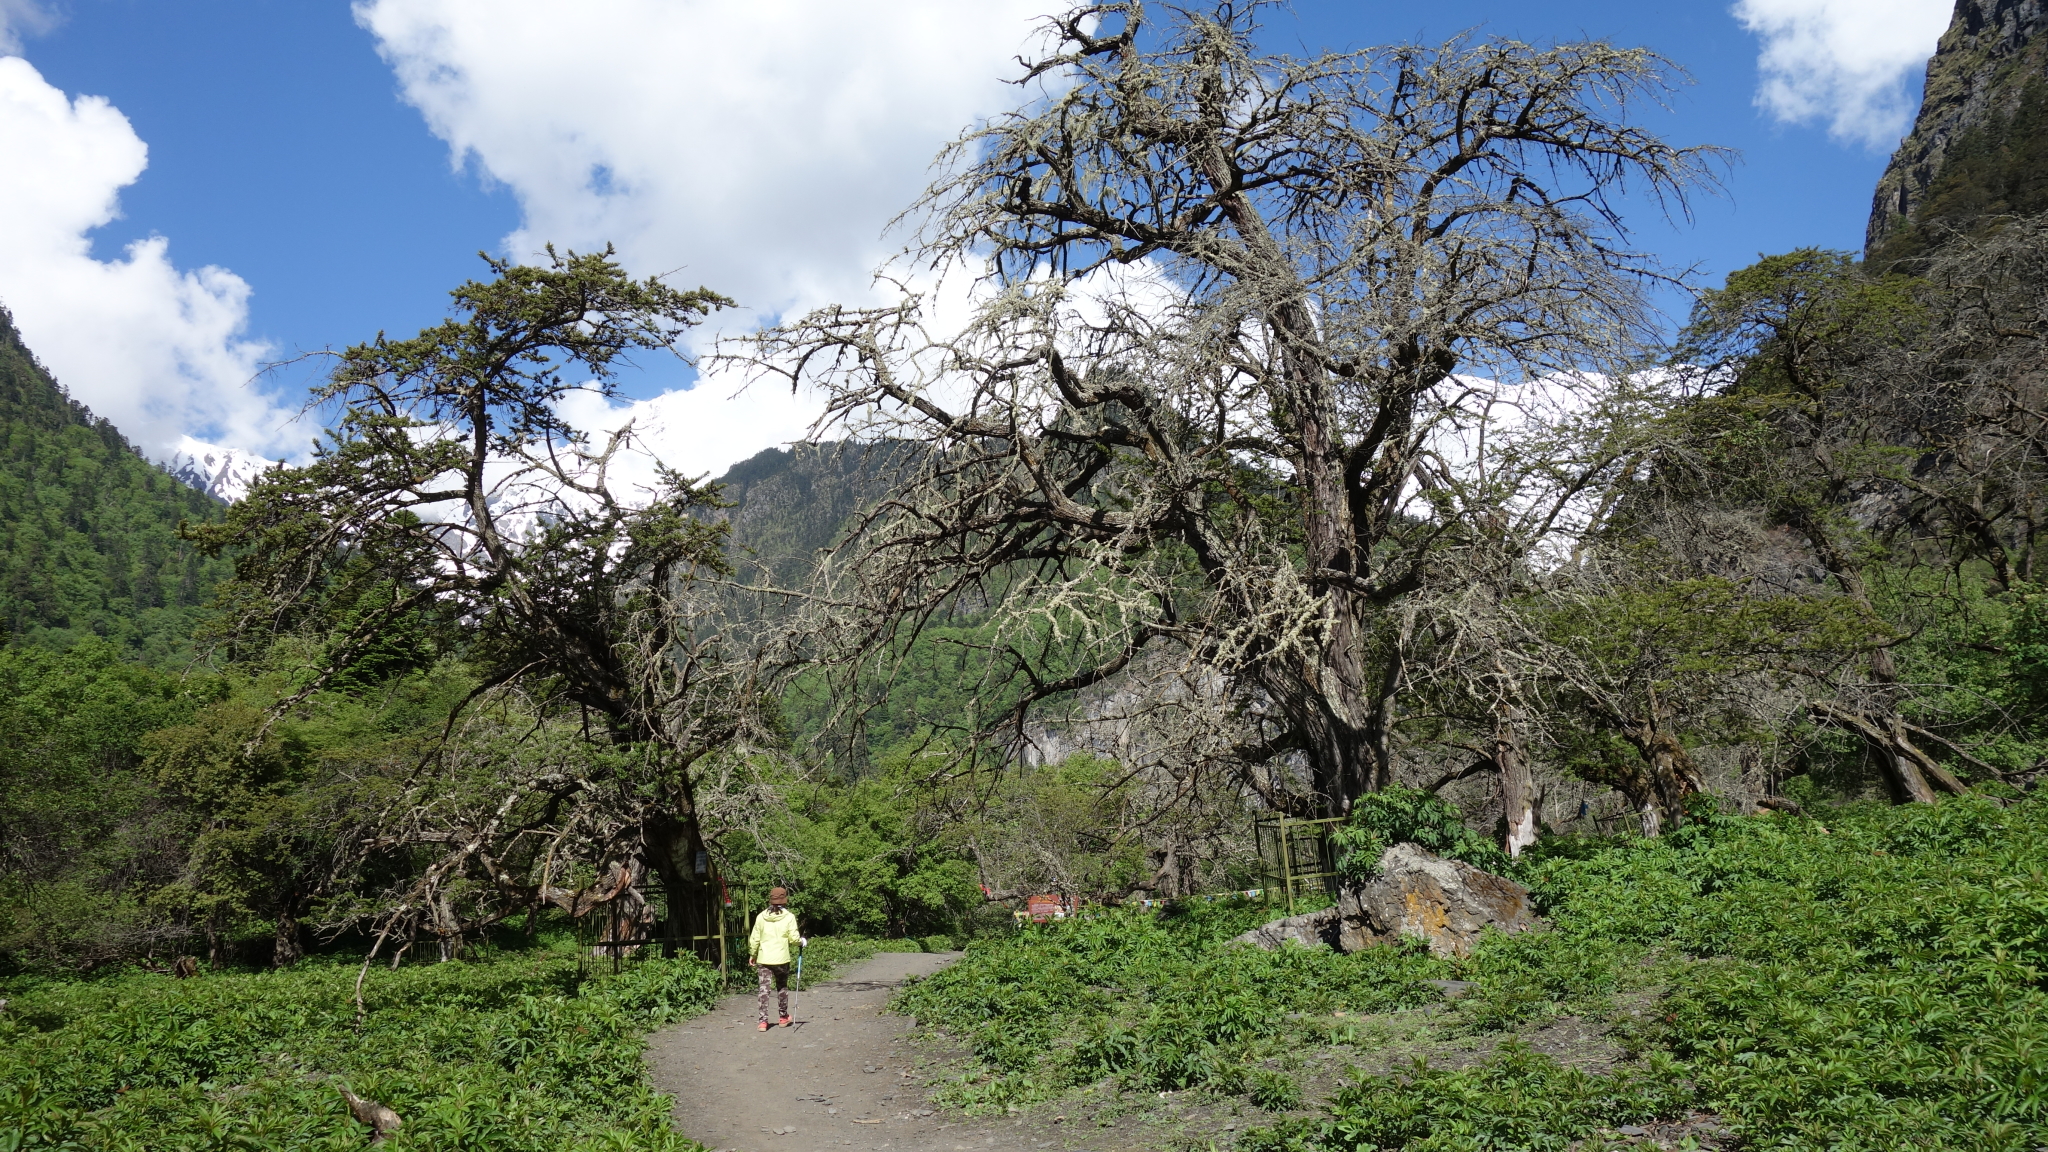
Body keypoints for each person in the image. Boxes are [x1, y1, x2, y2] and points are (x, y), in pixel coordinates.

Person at [748, 887, 806, 1030]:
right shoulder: (789, 917)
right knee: (782, 987)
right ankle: (783, 1017)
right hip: (781, 958)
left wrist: (753, 954)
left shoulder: (761, 916)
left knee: (763, 989)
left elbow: (754, 938)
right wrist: (802, 942)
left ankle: (763, 1021)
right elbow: (794, 939)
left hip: (764, 958)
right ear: (784, 900)